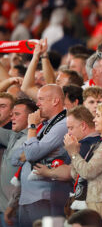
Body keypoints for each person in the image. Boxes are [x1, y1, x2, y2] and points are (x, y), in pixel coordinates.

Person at [10, 84, 69, 226]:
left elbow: (31, 153)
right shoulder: (46, 124)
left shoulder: (63, 124)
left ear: (55, 101)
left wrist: (31, 127)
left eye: (41, 99)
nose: (37, 104)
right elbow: (15, 158)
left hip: (45, 197)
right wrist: (32, 149)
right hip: (28, 197)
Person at [64, 101, 102, 227]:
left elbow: (88, 172)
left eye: (98, 116)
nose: (94, 119)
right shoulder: (99, 143)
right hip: (92, 201)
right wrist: (74, 152)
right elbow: (75, 173)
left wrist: (74, 153)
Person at [0, 99, 37, 227]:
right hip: (4, 207)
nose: (12, 118)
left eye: (17, 114)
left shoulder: (33, 140)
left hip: (15, 211)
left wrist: (12, 205)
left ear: (31, 117)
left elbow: (23, 178)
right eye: (12, 115)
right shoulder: (12, 135)